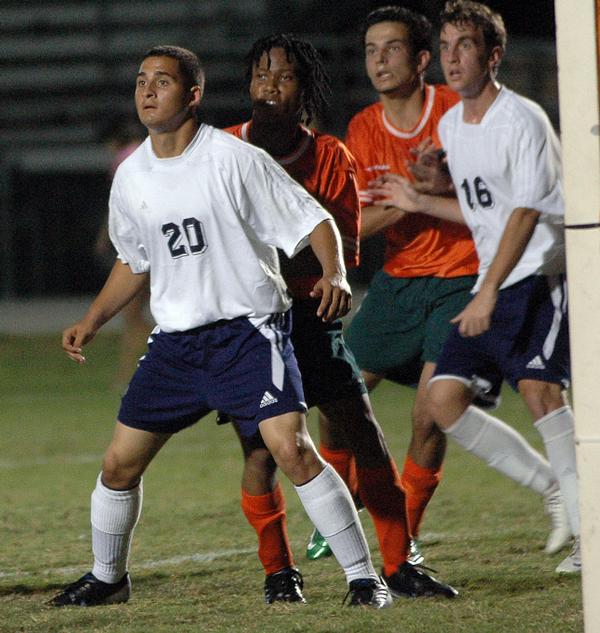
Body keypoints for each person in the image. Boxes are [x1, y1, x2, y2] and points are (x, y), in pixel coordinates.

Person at [49, 44, 393, 609]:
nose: (148, 90)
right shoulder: (133, 173)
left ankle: (364, 578)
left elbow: (316, 220)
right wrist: (91, 319)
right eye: (141, 80)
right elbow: (134, 260)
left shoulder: (234, 157)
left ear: (193, 95)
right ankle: (109, 579)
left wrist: (335, 271)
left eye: (163, 81)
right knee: (117, 465)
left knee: (293, 448)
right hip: (177, 346)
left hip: (248, 333)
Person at [223, 33, 457, 603]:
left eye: (282, 77)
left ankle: (400, 564)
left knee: (364, 434)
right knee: (259, 453)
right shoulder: (224, 150)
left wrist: (280, 249)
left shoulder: (329, 155)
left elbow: (339, 249)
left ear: (304, 90)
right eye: (260, 75)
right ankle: (279, 571)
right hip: (247, 326)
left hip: (308, 315)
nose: (268, 87)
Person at [343, 4, 571, 558]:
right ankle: (558, 490)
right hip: (449, 280)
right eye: (446, 47)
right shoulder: (429, 127)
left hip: (513, 274)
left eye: (463, 46)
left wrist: (486, 286)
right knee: (400, 396)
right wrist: (419, 199)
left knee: (526, 395)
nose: (452, 58)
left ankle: (583, 517)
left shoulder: (501, 116)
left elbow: (517, 212)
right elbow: (477, 211)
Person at [94, 117, 151, 391]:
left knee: (133, 317)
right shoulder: (149, 151)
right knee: (152, 313)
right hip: (162, 242)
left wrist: (105, 237)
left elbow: (119, 205)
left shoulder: (123, 161)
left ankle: (130, 376)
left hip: (141, 247)